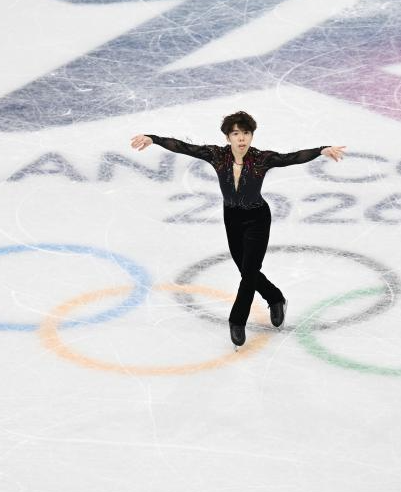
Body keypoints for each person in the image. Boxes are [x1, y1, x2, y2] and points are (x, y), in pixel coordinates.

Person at [131, 111, 346, 348]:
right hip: (232, 218)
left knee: (250, 272)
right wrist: (153, 139)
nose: (241, 138)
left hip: (257, 219)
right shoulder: (217, 155)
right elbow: (183, 147)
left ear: (252, 135)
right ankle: (275, 298)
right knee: (245, 269)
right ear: (228, 137)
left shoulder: (262, 158)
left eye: (246, 133)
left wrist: (321, 150)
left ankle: (237, 321)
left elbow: (292, 157)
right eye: (236, 134)